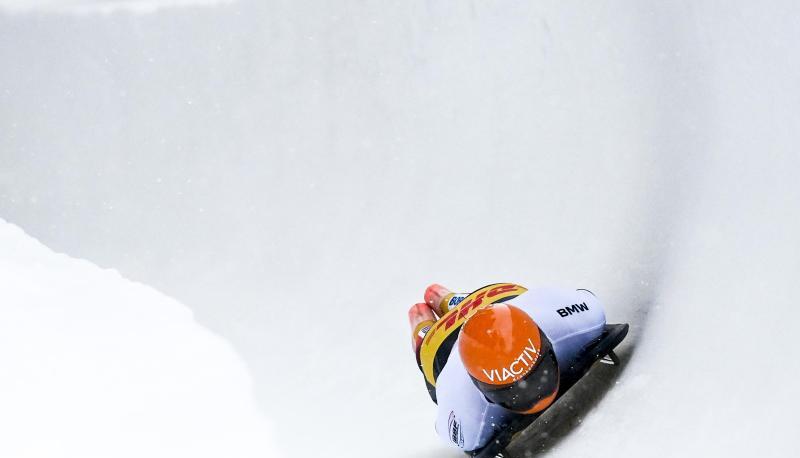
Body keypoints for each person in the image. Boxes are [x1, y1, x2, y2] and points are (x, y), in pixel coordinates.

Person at [408, 283, 606, 452]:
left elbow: (445, 429)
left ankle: (432, 307)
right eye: (512, 392)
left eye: (538, 371)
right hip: (455, 334)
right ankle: (441, 302)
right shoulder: (462, 404)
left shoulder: (470, 430)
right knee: (427, 344)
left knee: (421, 317)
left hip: (500, 303)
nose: (536, 395)